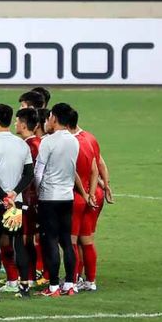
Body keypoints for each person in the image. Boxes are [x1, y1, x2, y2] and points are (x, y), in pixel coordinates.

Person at [0, 104, 34, 300]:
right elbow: (29, 174)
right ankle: (24, 287)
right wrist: (13, 194)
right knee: (18, 242)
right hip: (15, 203)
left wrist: (3, 195)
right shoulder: (22, 144)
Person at [35, 103, 80, 297]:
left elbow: (38, 172)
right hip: (67, 196)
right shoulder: (74, 141)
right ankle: (69, 284)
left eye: (50, 116)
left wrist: (37, 194)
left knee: (50, 241)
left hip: (49, 197)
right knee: (67, 241)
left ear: (55, 118)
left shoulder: (48, 142)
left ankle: (53, 286)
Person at [68, 110, 103, 292]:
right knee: (86, 240)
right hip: (93, 193)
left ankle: (72, 280)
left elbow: (73, 173)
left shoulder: (70, 143)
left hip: (78, 195)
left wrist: (84, 193)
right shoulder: (88, 139)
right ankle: (89, 281)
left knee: (73, 241)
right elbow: (96, 167)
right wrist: (96, 191)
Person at [15, 108, 44, 285]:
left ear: (24, 125)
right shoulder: (39, 143)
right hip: (35, 199)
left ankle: (30, 277)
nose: (15, 124)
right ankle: (35, 274)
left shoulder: (30, 146)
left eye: (17, 121)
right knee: (32, 237)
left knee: (26, 238)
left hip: (30, 199)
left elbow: (31, 175)